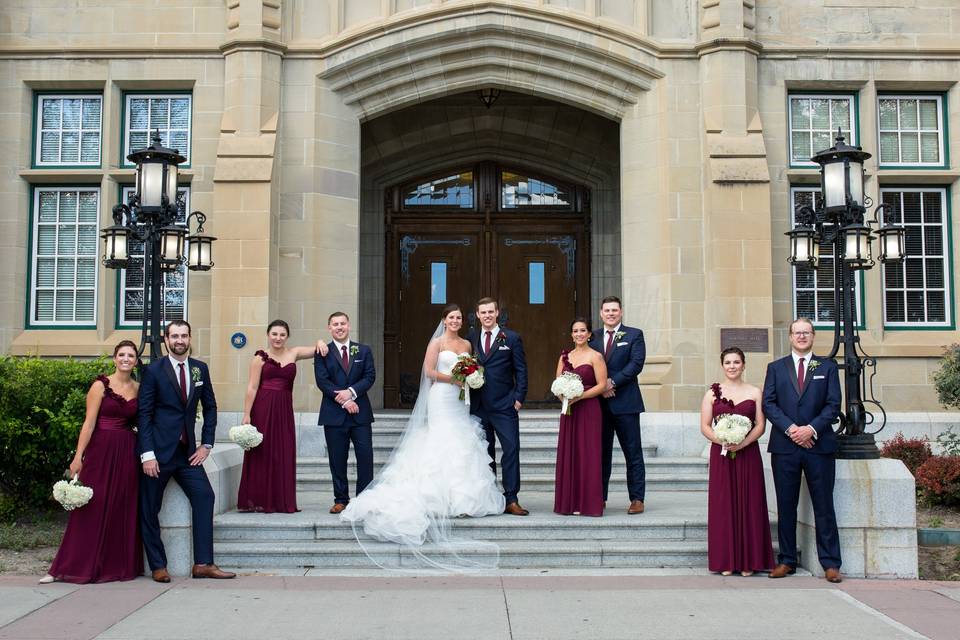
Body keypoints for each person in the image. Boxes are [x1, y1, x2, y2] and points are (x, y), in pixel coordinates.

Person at [340, 304, 505, 556]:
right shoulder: (437, 343)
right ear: (444, 320)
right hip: (441, 397)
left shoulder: (467, 345)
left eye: (459, 318)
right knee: (441, 439)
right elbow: (428, 372)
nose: (455, 321)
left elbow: (472, 368)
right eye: (451, 317)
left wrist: (471, 378)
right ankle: (436, 495)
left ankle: (461, 498)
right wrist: (455, 379)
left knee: (460, 441)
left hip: (460, 400)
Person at [138, 320, 235, 582]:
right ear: (166, 339)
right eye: (174, 336)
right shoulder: (154, 371)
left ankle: (203, 563)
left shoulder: (199, 369)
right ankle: (158, 565)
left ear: (190, 338)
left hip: (187, 454)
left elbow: (211, 407)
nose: (179, 340)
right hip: (157, 455)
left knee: (205, 497)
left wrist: (207, 444)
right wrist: (147, 454)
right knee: (149, 509)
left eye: (183, 335)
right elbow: (144, 414)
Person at [41, 341, 144, 584]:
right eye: (122, 355)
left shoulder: (140, 388)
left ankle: (116, 566)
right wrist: (78, 457)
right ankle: (63, 568)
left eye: (131, 355)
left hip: (127, 451)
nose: (126, 359)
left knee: (122, 505)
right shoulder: (100, 385)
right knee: (91, 507)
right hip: (100, 450)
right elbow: (88, 423)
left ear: (136, 361)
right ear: (114, 358)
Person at [762, 318, 843, 583]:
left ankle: (830, 563)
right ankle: (786, 560)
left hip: (818, 446)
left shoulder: (828, 367)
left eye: (806, 332)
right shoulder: (775, 368)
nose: (801, 336)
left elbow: (833, 405)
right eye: (797, 333)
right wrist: (792, 430)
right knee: (786, 505)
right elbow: (769, 404)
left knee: (824, 505)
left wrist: (811, 429)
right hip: (785, 446)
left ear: (813, 336)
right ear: (789, 336)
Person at [700, 347, 775, 576]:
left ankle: (748, 561)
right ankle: (727, 561)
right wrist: (721, 441)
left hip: (748, 453)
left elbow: (760, 424)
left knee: (749, 503)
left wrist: (742, 444)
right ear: (722, 365)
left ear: (744, 365)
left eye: (736, 362)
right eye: (728, 363)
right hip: (721, 454)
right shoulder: (712, 393)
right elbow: (704, 425)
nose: (732, 366)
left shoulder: (754, 391)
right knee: (725, 505)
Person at [237, 320, 320, 513]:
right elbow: (252, 387)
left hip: (284, 409)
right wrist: (247, 414)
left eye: (282, 334)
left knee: (283, 450)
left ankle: (280, 500)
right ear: (268, 335)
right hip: (263, 408)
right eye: (274, 334)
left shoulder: (294, 353)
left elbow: (318, 349)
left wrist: (320, 341)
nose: (278, 338)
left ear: (287, 336)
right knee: (262, 452)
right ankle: (259, 499)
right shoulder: (259, 358)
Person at [469, 297, 529, 516]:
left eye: (490, 312)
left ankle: (511, 498)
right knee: (485, 453)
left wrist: (519, 397)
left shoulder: (511, 338)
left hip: (505, 404)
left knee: (511, 449)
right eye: (483, 312)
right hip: (478, 405)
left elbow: (521, 370)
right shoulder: (470, 339)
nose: (487, 316)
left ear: (497, 313)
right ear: (477, 314)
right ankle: (490, 497)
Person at [314, 311, 376, 514]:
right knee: (337, 459)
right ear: (329, 328)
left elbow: (369, 376)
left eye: (342, 323)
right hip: (334, 415)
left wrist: (351, 393)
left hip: (360, 415)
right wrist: (344, 401)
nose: (339, 327)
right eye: (335, 324)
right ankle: (341, 499)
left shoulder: (363, 350)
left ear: (349, 326)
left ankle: (364, 499)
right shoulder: (322, 352)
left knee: (365, 457)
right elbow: (322, 381)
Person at [590, 296, 646, 514]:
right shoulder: (591, 336)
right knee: (601, 454)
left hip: (626, 404)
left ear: (621, 312)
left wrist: (611, 383)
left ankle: (637, 498)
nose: (611, 314)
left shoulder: (634, 335)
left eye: (614, 310)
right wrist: (601, 387)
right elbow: (585, 364)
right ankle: (599, 497)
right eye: (607, 310)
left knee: (633, 453)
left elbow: (636, 364)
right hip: (599, 405)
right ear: (601, 313)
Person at [553, 318, 608, 517]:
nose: (579, 334)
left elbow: (602, 385)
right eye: (575, 331)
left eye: (583, 330)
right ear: (571, 334)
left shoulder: (596, 357)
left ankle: (588, 503)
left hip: (589, 409)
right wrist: (564, 398)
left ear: (589, 334)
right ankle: (569, 502)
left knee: (588, 453)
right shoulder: (564, 356)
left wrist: (580, 397)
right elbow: (557, 383)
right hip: (568, 410)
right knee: (570, 452)